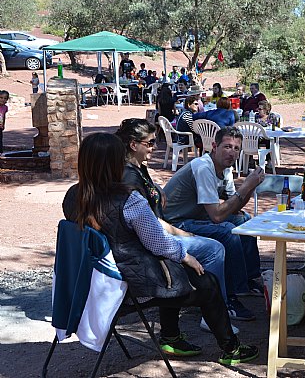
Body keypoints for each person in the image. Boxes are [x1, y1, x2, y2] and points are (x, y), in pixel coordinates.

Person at [62, 133, 259, 364]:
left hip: (93, 280)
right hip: (131, 284)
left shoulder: (74, 196)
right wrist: (186, 256)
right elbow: (158, 242)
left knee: (175, 272)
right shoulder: (128, 200)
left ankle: (172, 336)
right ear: (115, 162)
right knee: (205, 280)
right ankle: (231, 349)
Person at [115, 118, 238, 333]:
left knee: (228, 230)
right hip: (151, 240)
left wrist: (157, 187)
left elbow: (147, 205)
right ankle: (216, 310)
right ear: (134, 145)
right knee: (214, 248)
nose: (154, 148)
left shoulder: (138, 168)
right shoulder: (129, 176)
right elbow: (149, 225)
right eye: (150, 143)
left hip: (156, 232)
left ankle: (172, 331)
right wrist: (184, 235)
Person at [163, 127, 266, 322]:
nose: (232, 152)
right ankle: (229, 298)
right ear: (214, 146)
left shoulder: (225, 169)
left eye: (236, 148)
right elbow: (218, 217)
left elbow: (234, 208)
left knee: (243, 220)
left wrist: (250, 187)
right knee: (228, 231)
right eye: (227, 146)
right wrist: (244, 186)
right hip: (177, 223)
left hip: (197, 217)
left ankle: (247, 279)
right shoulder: (203, 167)